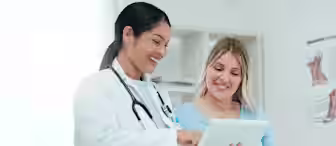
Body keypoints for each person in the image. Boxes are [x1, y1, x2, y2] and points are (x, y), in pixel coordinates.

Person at [73, 2, 201, 146]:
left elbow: (172, 135)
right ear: (128, 34)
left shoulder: (157, 93)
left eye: (165, 45)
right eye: (156, 41)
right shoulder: (94, 87)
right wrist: (173, 138)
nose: (162, 52)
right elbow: (98, 141)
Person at [175, 37, 275, 146]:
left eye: (234, 73)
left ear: (242, 80)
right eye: (218, 68)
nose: (225, 78)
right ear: (206, 68)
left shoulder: (256, 117)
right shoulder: (180, 116)